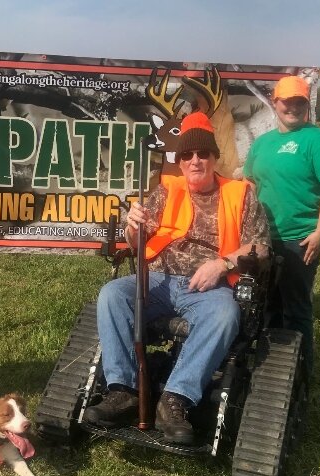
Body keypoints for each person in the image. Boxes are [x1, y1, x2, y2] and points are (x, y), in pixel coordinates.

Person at [83, 112, 270, 444]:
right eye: (187, 155)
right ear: (180, 161)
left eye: (202, 154)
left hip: (210, 287)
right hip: (159, 280)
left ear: (214, 157)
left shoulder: (240, 194)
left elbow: (261, 247)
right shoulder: (164, 192)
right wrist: (133, 227)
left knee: (226, 315)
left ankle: (175, 399)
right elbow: (137, 243)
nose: (195, 160)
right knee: (113, 294)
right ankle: (124, 390)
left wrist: (223, 263)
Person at [242, 75, 320, 378]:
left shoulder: (318, 141)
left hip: (298, 239)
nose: (293, 108)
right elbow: (248, 183)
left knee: (296, 309)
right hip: (262, 238)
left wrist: (319, 234)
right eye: (287, 102)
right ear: (275, 103)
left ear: (307, 105)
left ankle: (300, 376)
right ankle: (271, 374)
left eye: (300, 102)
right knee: (264, 305)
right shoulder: (262, 143)